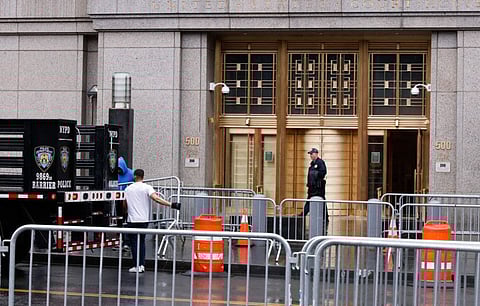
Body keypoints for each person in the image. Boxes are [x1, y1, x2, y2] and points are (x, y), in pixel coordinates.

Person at [124, 169, 181, 273]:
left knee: (134, 243)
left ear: (135, 176)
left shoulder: (128, 189)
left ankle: (136, 265)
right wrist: (171, 204)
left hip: (132, 220)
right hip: (143, 220)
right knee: (141, 242)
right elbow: (156, 198)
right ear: (143, 176)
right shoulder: (147, 187)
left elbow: (124, 205)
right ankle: (141, 265)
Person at [302, 148, 328, 226]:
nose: (311, 155)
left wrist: (315, 174)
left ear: (316, 154)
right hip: (312, 187)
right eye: (310, 154)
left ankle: (304, 213)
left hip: (318, 187)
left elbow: (323, 172)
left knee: (320, 201)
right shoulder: (312, 164)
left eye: (312, 154)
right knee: (312, 200)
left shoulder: (320, 162)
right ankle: (304, 213)